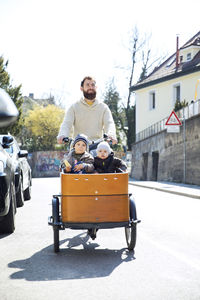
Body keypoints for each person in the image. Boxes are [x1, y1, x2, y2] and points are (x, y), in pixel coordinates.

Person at [57, 76, 117, 144]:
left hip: (97, 147)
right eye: (87, 85)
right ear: (81, 88)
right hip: (78, 146)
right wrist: (62, 134)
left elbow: (109, 123)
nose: (90, 87)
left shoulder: (103, 108)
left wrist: (111, 135)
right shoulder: (74, 107)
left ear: (96, 87)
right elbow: (66, 123)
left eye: (93, 85)